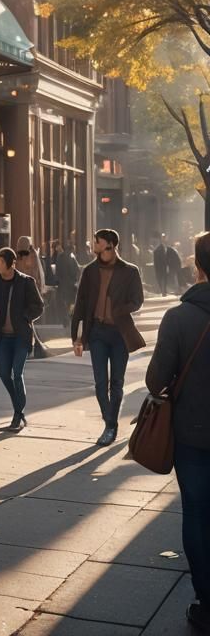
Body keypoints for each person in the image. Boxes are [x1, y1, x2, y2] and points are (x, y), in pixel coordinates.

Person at [145, 232, 210, 634]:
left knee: (198, 514)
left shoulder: (180, 317)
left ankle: (206, 600)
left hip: (193, 433)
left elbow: (155, 380)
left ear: (197, 267)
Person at [70, 228, 145, 446]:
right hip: (98, 333)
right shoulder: (90, 271)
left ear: (109, 246)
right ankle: (110, 423)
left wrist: (119, 309)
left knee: (117, 383)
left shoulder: (130, 271)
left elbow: (137, 300)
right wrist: (77, 336)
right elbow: (81, 304)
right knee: (100, 384)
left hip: (119, 333)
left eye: (97, 241)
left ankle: (110, 427)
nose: (94, 244)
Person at [0, 247, 44, 431]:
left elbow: (39, 306)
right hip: (4, 337)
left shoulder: (26, 282)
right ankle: (19, 405)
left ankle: (18, 413)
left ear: (10, 264)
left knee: (17, 373)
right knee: (4, 374)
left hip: (21, 337)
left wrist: (25, 316)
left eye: (0, 261)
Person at [55, 241, 81, 328]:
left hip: (63, 284)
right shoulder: (72, 257)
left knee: (64, 302)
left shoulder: (60, 257)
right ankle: (68, 317)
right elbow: (77, 270)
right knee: (70, 302)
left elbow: (57, 270)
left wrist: (58, 280)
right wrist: (76, 280)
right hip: (70, 284)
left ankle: (65, 317)